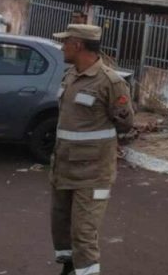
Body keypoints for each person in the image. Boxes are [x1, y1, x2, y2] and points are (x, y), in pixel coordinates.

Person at [49, 24, 134, 275]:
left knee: (83, 232)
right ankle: (68, 267)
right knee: (61, 225)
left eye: (66, 42)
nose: (62, 47)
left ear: (78, 45)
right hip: (63, 167)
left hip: (93, 173)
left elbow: (125, 122)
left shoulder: (110, 82)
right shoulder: (71, 75)